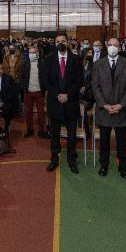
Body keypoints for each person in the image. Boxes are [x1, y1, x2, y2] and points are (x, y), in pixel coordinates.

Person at [92, 37, 126, 179]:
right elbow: (95, 87)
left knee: (121, 141)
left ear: (119, 47)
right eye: (110, 44)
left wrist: (121, 105)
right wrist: (104, 105)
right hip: (104, 109)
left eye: (115, 45)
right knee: (104, 141)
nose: (112, 47)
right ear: (106, 45)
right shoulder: (98, 64)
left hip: (120, 110)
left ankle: (123, 166)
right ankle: (104, 165)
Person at [43, 34, 83, 174]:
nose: (61, 43)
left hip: (71, 102)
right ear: (55, 43)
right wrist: (57, 95)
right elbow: (46, 81)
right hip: (55, 102)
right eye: (58, 41)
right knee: (54, 134)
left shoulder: (76, 60)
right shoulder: (48, 60)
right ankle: (54, 158)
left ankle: (71, 159)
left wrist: (68, 95)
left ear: (68, 42)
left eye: (63, 41)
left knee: (72, 134)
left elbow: (79, 81)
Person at [20, 44, 46, 138]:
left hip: (39, 91)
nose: (31, 54)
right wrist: (24, 87)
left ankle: (41, 130)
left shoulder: (42, 63)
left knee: (41, 113)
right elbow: (21, 78)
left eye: (33, 53)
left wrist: (44, 87)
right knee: (28, 112)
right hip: (28, 92)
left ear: (38, 53)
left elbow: (45, 77)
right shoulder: (24, 63)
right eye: (30, 53)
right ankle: (29, 129)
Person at [0, 62, 19, 152]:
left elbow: (12, 94)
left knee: (7, 112)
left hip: (5, 103)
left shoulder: (8, 79)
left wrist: (3, 102)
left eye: (0, 69)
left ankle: (5, 131)